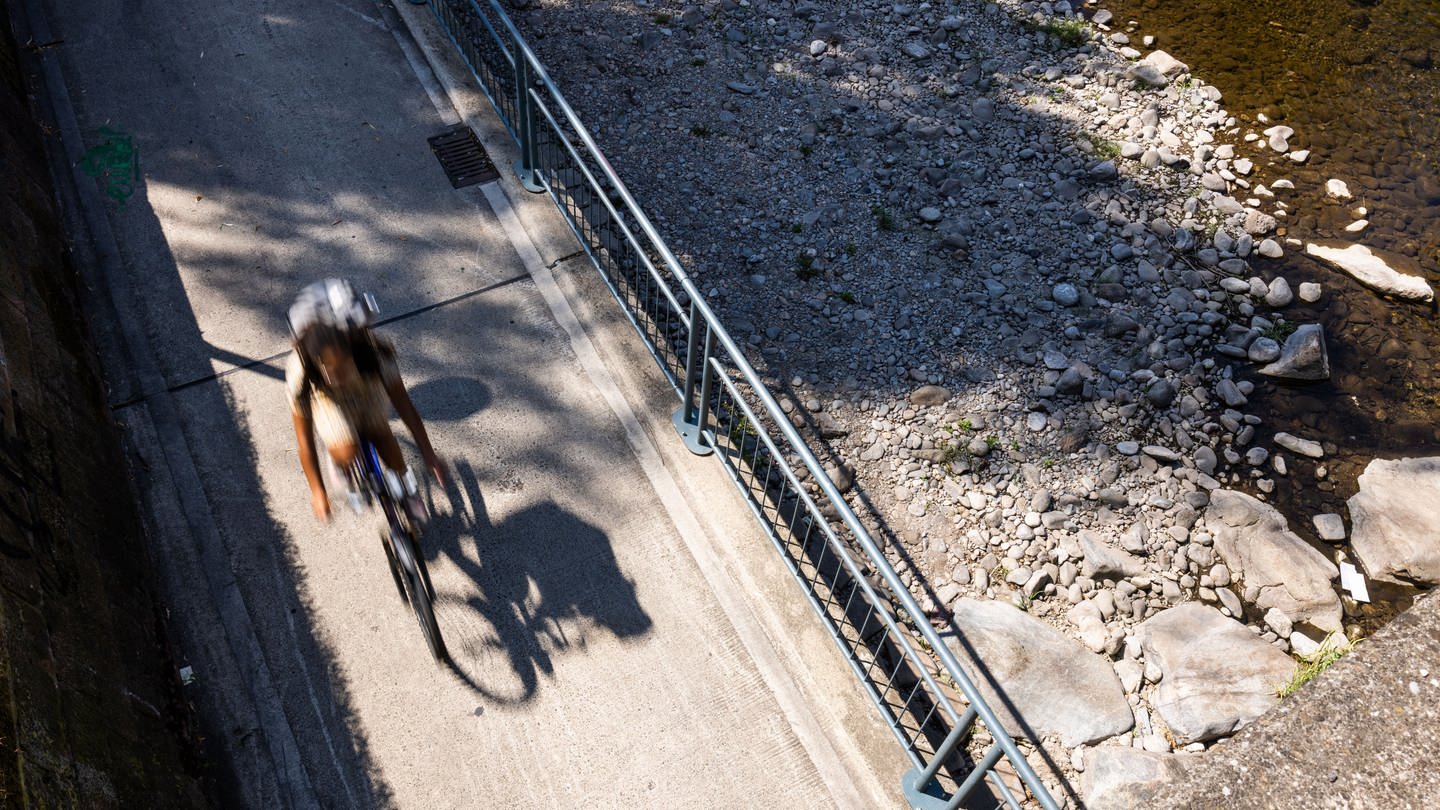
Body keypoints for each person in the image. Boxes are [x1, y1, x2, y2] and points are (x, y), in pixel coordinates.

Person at [285, 278, 444, 523]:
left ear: (353, 351)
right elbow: (304, 443)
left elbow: (405, 407)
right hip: (328, 400)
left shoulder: (375, 356)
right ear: (315, 363)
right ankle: (339, 462)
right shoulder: (300, 372)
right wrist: (318, 491)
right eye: (328, 370)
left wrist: (428, 453)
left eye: (342, 367)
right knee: (345, 449)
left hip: (366, 387)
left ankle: (406, 487)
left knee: (382, 435)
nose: (336, 377)